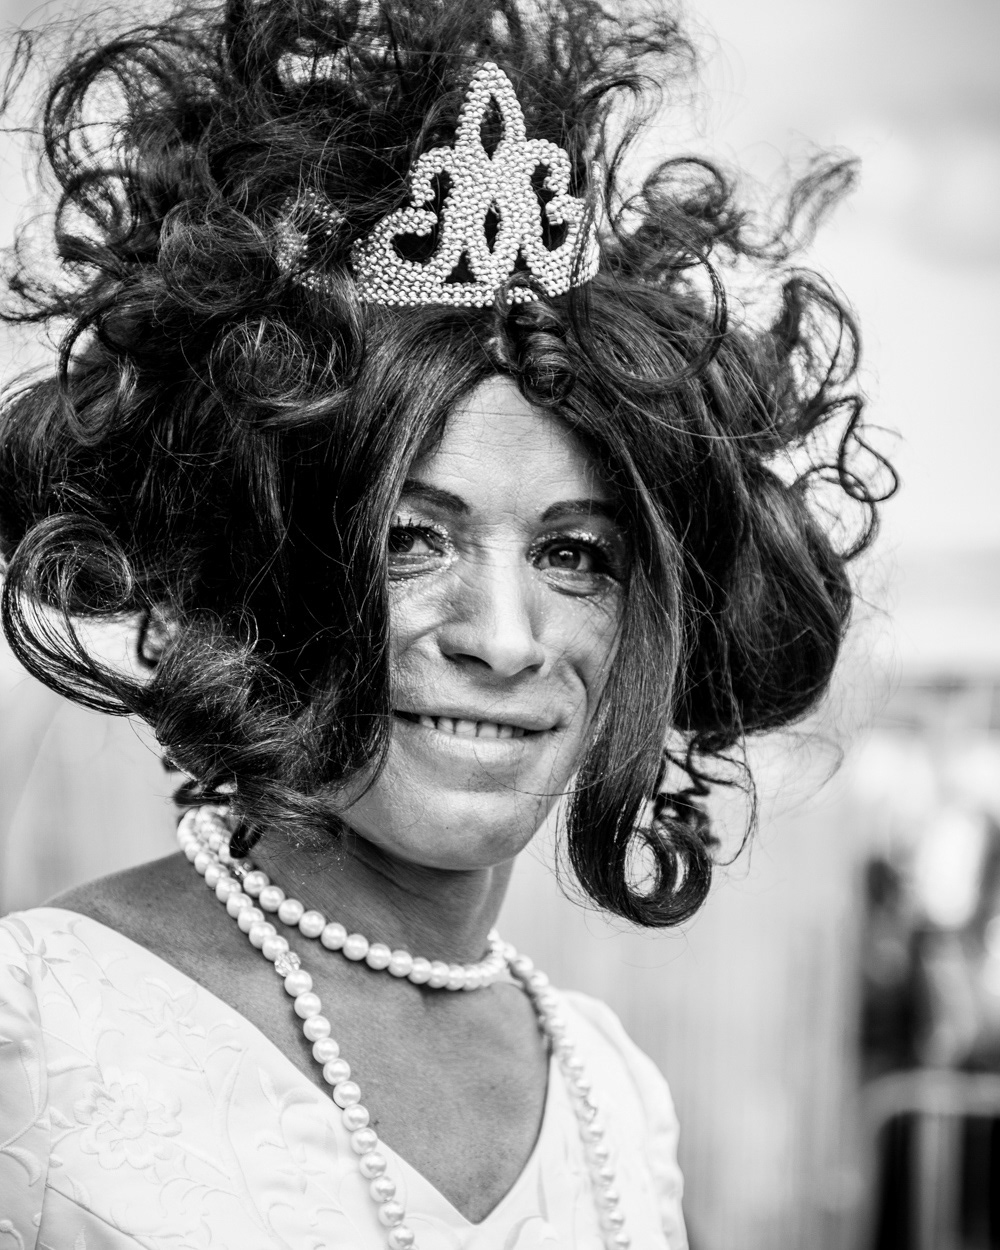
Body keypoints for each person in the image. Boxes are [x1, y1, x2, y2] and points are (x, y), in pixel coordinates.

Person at [0, 0, 892, 1244]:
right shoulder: (34, 1028)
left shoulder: (613, 1092)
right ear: (267, 564)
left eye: (577, 554)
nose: (505, 637)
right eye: (410, 538)